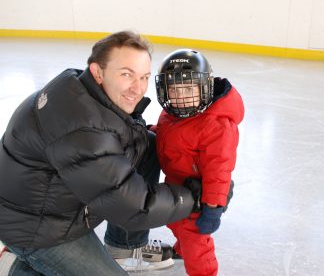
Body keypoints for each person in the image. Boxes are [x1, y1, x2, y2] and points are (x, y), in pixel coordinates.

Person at [0, 31, 200, 275]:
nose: (137, 89)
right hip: (38, 230)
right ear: (98, 71)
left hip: (49, 206)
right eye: (126, 74)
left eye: (144, 77)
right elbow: (133, 207)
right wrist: (194, 196)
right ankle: (13, 264)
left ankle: (124, 248)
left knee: (148, 147)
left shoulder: (81, 87)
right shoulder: (83, 128)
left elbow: (126, 141)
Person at [154, 48, 245, 276]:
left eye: (188, 88)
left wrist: (213, 208)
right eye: (174, 89)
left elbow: (219, 169)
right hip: (176, 186)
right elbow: (168, 135)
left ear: (205, 88)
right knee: (176, 225)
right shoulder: (173, 114)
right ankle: (181, 251)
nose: (181, 96)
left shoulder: (216, 125)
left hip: (199, 197)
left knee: (196, 242)